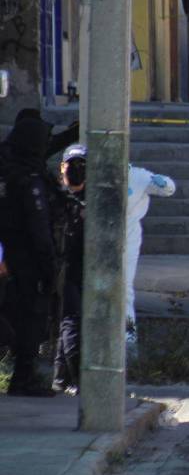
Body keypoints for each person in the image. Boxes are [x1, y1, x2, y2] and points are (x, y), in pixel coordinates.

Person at [0, 116, 60, 396]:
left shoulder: (10, 173)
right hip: (26, 262)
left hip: (9, 259)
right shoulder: (29, 181)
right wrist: (49, 268)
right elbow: (38, 231)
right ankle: (23, 378)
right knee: (31, 321)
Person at [123, 165, 176, 349]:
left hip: (128, 237)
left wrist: (162, 182)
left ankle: (128, 342)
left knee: (124, 289)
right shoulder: (96, 172)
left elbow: (168, 189)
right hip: (99, 235)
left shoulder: (137, 176)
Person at [52, 144, 86, 395]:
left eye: (81, 166)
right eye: (71, 166)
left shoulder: (90, 200)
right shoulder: (54, 198)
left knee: (68, 322)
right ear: (61, 168)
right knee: (70, 323)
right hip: (61, 269)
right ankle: (79, 381)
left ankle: (61, 378)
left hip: (77, 269)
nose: (75, 171)